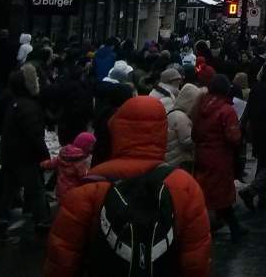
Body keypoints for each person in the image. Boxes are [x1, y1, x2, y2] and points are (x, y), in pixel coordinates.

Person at [43, 96, 212, 277]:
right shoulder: (185, 187)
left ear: (117, 131)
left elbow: (61, 261)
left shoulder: (88, 190)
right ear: (162, 133)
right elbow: (197, 261)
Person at [0, 64, 50, 239]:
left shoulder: (15, 103)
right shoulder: (28, 106)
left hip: (11, 154)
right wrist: (44, 155)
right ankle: (43, 223)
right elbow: (34, 134)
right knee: (36, 189)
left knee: (9, 190)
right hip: (26, 156)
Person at [192, 73, 246, 240]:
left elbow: (194, 131)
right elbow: (233, 137)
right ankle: (233, 229)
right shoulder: (226, 110)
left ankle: (230, 226)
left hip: (202, 153)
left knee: (206, 191)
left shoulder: (201, 105)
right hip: (220, 156)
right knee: (222, 194)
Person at [238, 58, 266, 210]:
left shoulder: (256, 88)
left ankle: (264, 196)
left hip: (257, 132)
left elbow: (248, 110)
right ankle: (252, 191)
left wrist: (242, 127)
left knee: (263, 163)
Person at [40, 131, 96, 202]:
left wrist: (42, 164)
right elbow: (85, 178)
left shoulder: (64, 155)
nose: (93, 148)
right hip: (73, 194)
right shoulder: (80, 162)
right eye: (92, 146)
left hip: (60, 192)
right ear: (85, 146)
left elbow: (53, 163)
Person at [167, 82, 202, 169]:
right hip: (178, 162)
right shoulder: (181, 118)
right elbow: (186, 142)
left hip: (171, 159)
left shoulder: (173, 113)